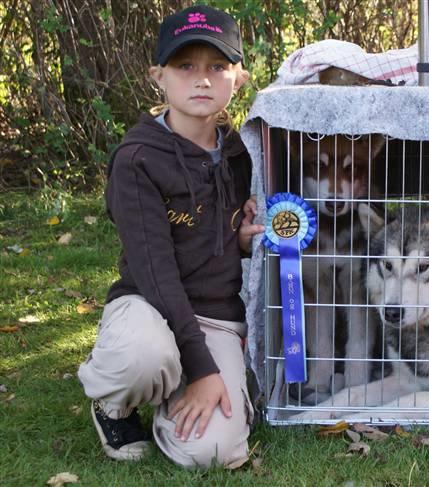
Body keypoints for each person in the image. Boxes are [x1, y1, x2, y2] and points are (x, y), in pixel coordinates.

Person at [77, 5, 264, 469]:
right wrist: (203, 370)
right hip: (148, 304)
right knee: (145, 354)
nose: (202, 79)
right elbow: (156, 273)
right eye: (185, 66)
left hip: (215, 317)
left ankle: (186, 399)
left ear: (238, 78)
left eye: (217, 67)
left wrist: (239, 240)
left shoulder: (240, 152)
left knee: (213, 451)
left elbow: (216, 235)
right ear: (158, 76)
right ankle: (116, 401)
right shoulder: (137, 159)